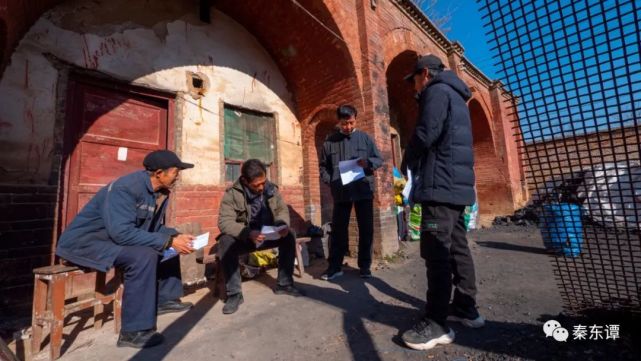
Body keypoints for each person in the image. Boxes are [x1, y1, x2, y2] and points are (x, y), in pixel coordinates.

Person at [56, 150, 197, 349]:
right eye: (175, 172)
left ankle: (164, 299)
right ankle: (133, 332)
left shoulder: (156, 192)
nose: (178, 176)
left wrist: (174, 237)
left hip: (110, 240)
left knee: (170, 237)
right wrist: (168, 241)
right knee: (145, 255)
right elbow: (122, 233)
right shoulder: (126, 188)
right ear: (159, 173)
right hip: (85, 244)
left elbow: (151, 229)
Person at [400, 54, 485, 351]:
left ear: (425, 73)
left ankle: (436, 322)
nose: (415, 87)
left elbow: (426, 133)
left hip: (440, 187)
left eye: (415, 80)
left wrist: (407, 157)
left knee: (436, 251)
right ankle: (465, 306)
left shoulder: (436, 91)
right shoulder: (457, 96)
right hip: (457, 189)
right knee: (458, 246)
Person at [216, 159, 303, 315]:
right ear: (244, 181)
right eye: (256, 185)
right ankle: (234, 294)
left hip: (269, 234)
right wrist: (247, 233)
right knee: (225, 241)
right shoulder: (232, 194)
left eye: (263, 182)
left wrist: (282, 225)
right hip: (247, 238)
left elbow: (281, 209)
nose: (261, 187)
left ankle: (284, 284)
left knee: (289, 235)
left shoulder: (271, 189)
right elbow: (224, 221)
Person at [319, 104, 383, 280]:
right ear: (338, 122)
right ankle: (335, 266)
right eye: (344, 124)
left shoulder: (365, 139)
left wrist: (368, 163)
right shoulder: (330, 142)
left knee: (366, 228)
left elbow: (379, 159)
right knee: (339, 229)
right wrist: (330, 180)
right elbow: (323, 166)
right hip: (341, 191)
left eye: (351, 123)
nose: (347, 127)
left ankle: (364, 266)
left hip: (363, 188)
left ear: (356, 119)